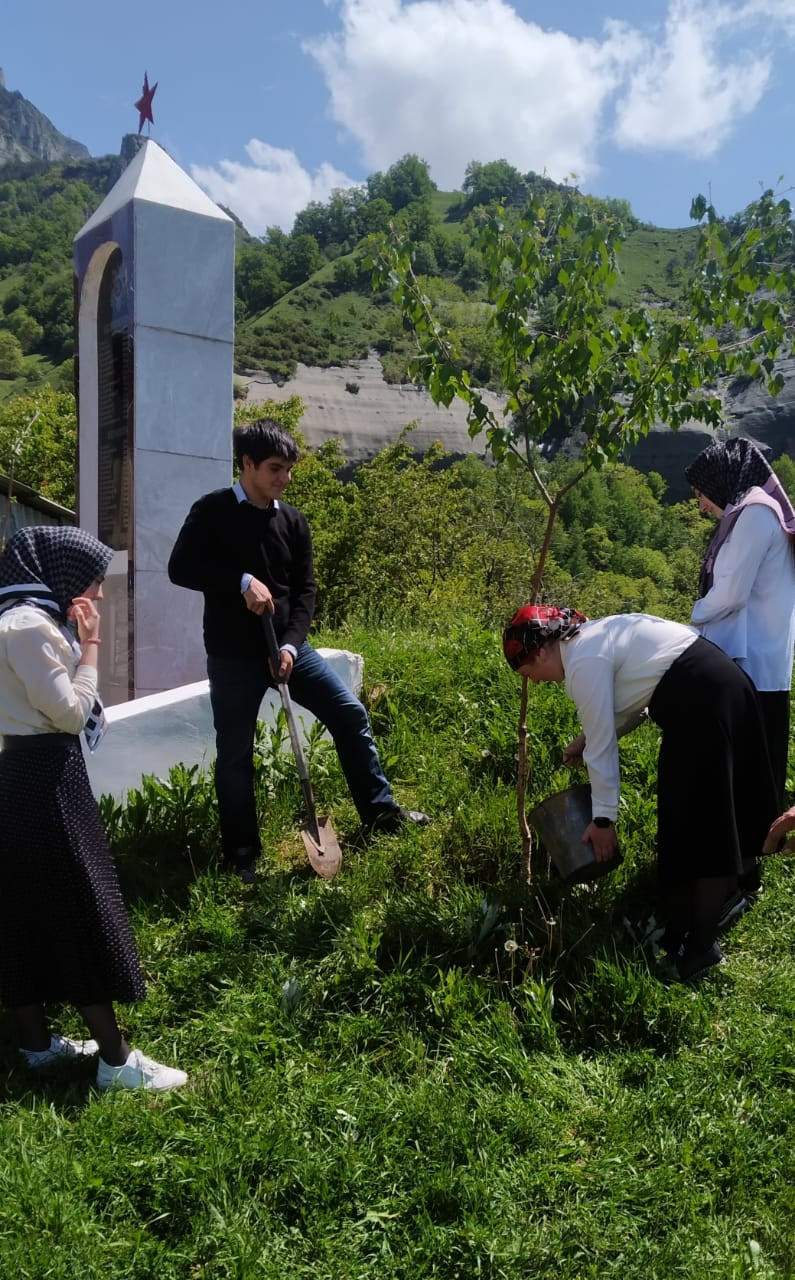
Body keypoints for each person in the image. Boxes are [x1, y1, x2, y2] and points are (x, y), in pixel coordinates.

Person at [168, 418, 428, 882]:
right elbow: (180, 567)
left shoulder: (292, 521)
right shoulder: (210, 512)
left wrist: (290, 645)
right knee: (235, 754)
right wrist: (241, 581)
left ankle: (381, 815)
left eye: (288, 469)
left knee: (349, 714)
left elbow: (305, 591)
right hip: (233, 655)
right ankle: (243, 855)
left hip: (289, 649)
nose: (283, 479)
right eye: (274, 469)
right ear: (246, 464)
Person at [0, 526, 187, 1092]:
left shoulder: (20, 620)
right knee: (80, 906)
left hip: (20, 774)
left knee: (24, 909)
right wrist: (93, 645)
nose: (98, 595)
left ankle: (35, 1045)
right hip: (45, 779)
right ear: (61, 575)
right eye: (94, 582)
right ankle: (115, 1059)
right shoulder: (29, 628)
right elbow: (70, 713)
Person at [502, 605, 778, 981]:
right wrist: (586, 740)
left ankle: (700, 949)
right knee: (687, 814)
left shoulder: (583, 659)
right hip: (713, 690)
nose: (533, 682)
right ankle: (682, 928)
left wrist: (603, 820)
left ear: (540, 652)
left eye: (528, 673)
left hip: (702, 703)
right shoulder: (592, 639)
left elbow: (602, 749)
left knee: (702, 821)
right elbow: (635, 703)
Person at [684, 437, 795, 811]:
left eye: (701, 493)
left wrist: (691, 619)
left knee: (748, 779)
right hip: (754, 664)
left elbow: (730, 592)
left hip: (757, 668)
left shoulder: (755, 514)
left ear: (720, 479)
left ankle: (748, 858)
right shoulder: (748, 512)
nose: (701, 505)